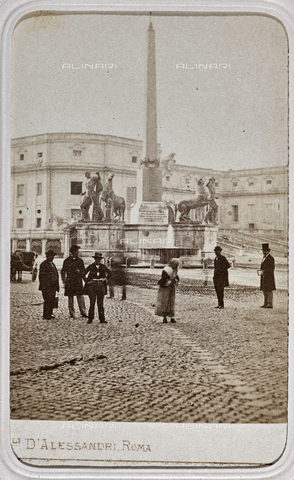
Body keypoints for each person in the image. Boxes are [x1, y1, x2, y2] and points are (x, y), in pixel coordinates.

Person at [61, 245, 88, 318]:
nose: (78, 253)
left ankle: (83, 312)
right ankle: (72, 313)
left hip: (78, 281)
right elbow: (63, 271)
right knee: (70, 298)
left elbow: (84, 271)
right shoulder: (66, 261)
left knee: (80, 297)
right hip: (70, 281)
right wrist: (64, 281)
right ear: (73, 252)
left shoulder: (80, 261)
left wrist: (81, 273)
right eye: (77, 251)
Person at [84, 252, 111, 324]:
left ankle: (102, 319)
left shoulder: (103, 267)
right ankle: (90, 318)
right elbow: (83, 273)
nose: (98, 260)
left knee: (100, 303)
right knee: (92, 302)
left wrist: (105, 279)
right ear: (95, 259)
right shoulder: (91, 266)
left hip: (101, 286)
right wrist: (87, 281)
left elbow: (110, 273)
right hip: (92, 286)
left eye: (99, 259)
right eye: (97, 259)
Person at [155, 258, 180, 323]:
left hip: (171, 287)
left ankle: (172, 317)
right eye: (176, 265)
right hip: (165, 287)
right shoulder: (166, 270)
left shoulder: (174, 270)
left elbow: (177, 278)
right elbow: (164, 279)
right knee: (165, 301)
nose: (177, 266)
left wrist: (175, 280)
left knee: (171, 301)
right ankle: (164, 317)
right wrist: (171, 281)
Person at [39, 249, 59, 320]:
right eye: (51, 256)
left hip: (53, 286)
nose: (52, 257)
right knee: (47, 300)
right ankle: (46, 315)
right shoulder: (43, 264)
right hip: (46, 286)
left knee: (52, 300)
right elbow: (42, 276)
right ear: (47, 256)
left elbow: (56, 274)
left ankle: (50, 313)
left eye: (53, 256)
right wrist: (44, 286)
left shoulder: (52, 264)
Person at [259, 243, 276, 308]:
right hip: (264, 276)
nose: (263, 252)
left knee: (269, 290)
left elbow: (271, 268)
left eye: (265, 251)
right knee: (264, 289)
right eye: (263, 251)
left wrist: (265, 271)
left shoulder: (271, 258)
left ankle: (270, 303)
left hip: (269, 277)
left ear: (268, 251)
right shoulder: (264, 258)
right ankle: (265, 303)